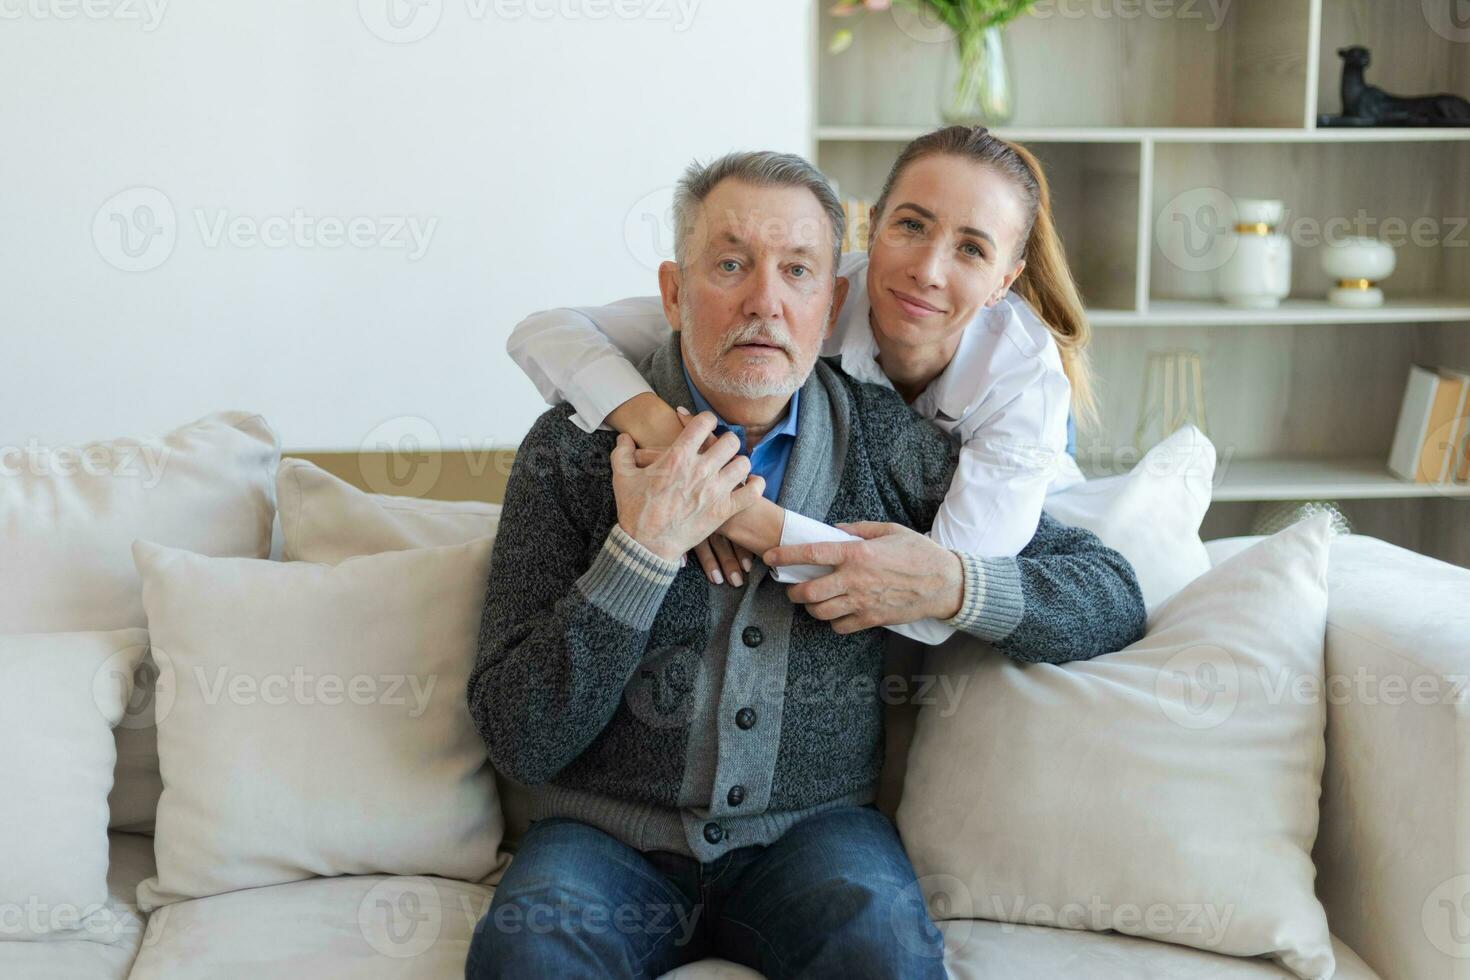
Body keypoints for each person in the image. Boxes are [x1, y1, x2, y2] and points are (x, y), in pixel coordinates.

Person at [465, 150, 1145, 979]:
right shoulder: (570, 453)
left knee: (889, 960)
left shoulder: (891, 446)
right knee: (527, 960)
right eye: (729, 265)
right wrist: (638, 554)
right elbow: (517, 737)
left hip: (813, 842)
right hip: (602, 842)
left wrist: (956, 582)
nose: (764, 302)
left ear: (832, 305)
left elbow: (1108, 593)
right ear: (674, 294)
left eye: (796, 272)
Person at [506, 125, 1092, 644]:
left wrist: (740, 514)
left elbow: (930, 595)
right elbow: (548, 331)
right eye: (911, 226)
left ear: (1004, 282)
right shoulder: (807, 291)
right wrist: (669, 438)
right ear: (874, 225)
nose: (927, 271)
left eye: (971, 249)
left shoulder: (1024, 389)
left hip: (1024, 474)